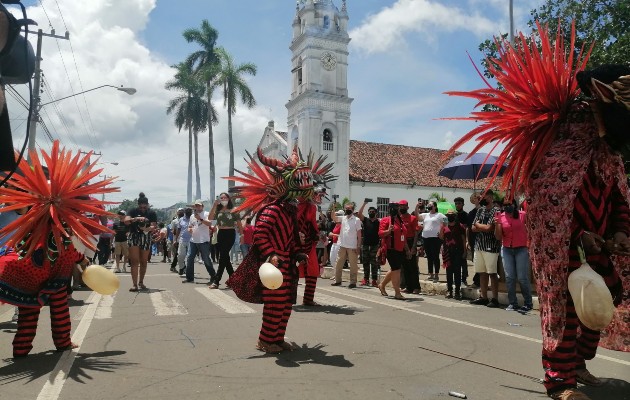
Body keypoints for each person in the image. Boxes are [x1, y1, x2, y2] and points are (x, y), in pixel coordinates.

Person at [445, 23, 630, 399]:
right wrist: (579, 237)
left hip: (600, 249)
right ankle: (559, 383)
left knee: (602, 301)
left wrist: (621, 229)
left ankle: (579, 364)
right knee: (564, 311)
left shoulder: (610, 157)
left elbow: (620, 201)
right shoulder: (556, 159)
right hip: (563, 253)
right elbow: (548, 211)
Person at [0, 142, 113, 357]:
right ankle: (62, 343)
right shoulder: (56, 221)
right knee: (59, 308)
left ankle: (21, 349)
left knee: (29, 311)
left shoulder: (30, 216)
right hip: (52, 273)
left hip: (29, 271)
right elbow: (66, 248)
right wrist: (81, 260)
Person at [226, 146, 332, 353]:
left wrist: (296, 252)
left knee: (285, 306)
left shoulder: (288, 211)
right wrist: (271, 254)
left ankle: (278, 338)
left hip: (287, 264)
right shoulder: (272, 209)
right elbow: (261, 235)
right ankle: (265, 341)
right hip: (274, 265)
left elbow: (291, 238)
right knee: (275, 306)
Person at [495, 198, 533, 311]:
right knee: (509, 277)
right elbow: (498, 236)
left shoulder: (523, 215)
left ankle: (528, 303)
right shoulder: (501, 217)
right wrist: (497, 223)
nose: (507, 206)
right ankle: (513, 302)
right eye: (505, 205)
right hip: (507, 249)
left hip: (521, 248)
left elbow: (531, 229)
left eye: (509, 204)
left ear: (514, 204)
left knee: (522, 277)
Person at [469, 190, 501, 308]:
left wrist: (479, 225)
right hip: (479, 245)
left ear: (491, 197)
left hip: (491, 246)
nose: (482, 198)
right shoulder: (480, 210)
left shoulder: (496, 210)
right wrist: (481, 226)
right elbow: (473, 227)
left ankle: (495, 298)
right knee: (482, 272)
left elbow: (489, 228)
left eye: (485, 196)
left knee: (492, 273)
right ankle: (484, 296)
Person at [208, 193, 243, 289]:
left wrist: (242, 235)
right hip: (221, 233)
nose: (223, 199)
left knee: (223, 256)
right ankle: (234, 280)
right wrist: (214, 205)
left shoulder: (234, 210)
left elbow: (239, 223)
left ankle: (216, 280)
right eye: (221, 198)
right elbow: (210, 218)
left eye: (225, 197)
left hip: (230, 233)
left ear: (228, 199)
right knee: (225, 257)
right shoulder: (218, 210)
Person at [125, 192, 157, 292]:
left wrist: (146, 229)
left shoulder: (151, 213)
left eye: (144, 207)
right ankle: (134, 284)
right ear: (138, 205)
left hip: (146, 236)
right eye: (141, 207)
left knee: (144, 261)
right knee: (134, 261)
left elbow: (153, 226)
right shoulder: (132, 211)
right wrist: (136, 219)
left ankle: (141, 282)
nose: (143, 208)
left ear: (147, 205)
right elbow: (126, 221)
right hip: (134, 235)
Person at [377, 202, 409, 300]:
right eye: (396, 208)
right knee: (396, 270)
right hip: (391, 249)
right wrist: (388, 231)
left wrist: (407, 249)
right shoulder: (386, 220)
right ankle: (397, 293)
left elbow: (404, 236)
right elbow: (380, 233)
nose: (397, 209)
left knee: (395, 270)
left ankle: (382, 285)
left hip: (400, 249)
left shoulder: (400, 220)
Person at [184, 200, 216, 285]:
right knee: (190, 258)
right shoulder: (192, 216)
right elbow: (190, 226)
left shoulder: (206, 214)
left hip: (203, 240)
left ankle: (213, 276)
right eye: (196, 206)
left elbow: (209, 224)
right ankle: (189, 278)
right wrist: (189, 229)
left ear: (202, 206)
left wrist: (200, 219)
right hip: (193, 240)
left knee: (206, 259)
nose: (197, 207)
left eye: (199, 206)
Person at [331, 202, 362, 288]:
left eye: (349, 209)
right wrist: (333, 208)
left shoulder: (357, 220)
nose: (348, 210)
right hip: (342, 245)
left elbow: (359, 234)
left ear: (352, 210)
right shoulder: (343, 218)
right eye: (346, 209)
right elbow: (334, 218)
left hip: (352, 246)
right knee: (338, 263)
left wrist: (358, 246)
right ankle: (337, 280)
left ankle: (353, 282)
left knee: (353, 265)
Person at [439, 209, 466, 300]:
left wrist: (465, 251)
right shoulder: (444, 226)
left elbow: (463, 239)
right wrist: (442, 226)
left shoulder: (460, 226)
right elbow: (441, 237)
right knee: (449, 272)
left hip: (458, 251)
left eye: (452, 215)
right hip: (448, 251)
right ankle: (449, 290)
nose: (450, 216)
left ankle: (457, 291)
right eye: (448, 215)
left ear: (455, 216)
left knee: (457, 272)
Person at [417, 200, 445, 282]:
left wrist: (441, 232)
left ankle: (436, 274)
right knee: (429, 257)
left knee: (435, 256)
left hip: (435, 238)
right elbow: (417, 216)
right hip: (426, 238)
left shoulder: (439, 215)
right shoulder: (426, 215)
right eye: (428, 204)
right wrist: (417, 206)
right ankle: (430, 274)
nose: (429, 205)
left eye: (431, 204)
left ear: (435, 207)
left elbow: (446, 220)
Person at [398, 200, 420, 293]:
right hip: (402, 242)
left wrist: (414, 247)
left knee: (413, 266)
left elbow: (416, 233)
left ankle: (416, 287)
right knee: (405, 266)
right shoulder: (398, 218)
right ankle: (408, 286)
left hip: (411, 242)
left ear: (407, 207)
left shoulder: (413, 218)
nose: (402, 208)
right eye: (400, 206)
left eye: (404, 206)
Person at [357, 202, 380, 287]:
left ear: (376, 213)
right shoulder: (365, 220)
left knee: (374, 263)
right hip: (366, 245)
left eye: (373, 211)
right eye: (370, 211)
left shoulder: (378, 222)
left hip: (375, 245)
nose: (371, 212)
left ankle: (374, 280)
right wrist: (364, 203)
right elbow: (359, 214)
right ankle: (366, 279)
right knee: (365, 262)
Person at [453, 196, 470, 286]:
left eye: (459, 203)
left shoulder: (466, 215)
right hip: (454, 240)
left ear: (463, 204)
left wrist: (467, 241)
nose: (457, 205)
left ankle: (464, 278)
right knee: (454, 261)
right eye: (456, 203)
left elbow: (467, 228)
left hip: (463, 241)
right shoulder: (453, 215)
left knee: (463, 260)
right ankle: (456, 278)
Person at [177, 208, 192, 276]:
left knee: (189, 257)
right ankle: (181, 267)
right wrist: (176, 239)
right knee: (180, 255)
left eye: (190, 212)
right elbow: (179, 229)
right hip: (182, 239)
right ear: (185, 213)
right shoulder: (181, 219)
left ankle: (188, 272)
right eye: (187, 212)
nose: (189, 213)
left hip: (191, 240)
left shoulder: (193, 219)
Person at [169, 208, 184, 273]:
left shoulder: (185, 220)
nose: (181, 212)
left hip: (184, 239)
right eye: (179, 211)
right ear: (177, 213)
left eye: (182, 211)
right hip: (177, 240)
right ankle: (181, 267)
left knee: (180, 254)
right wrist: (177, 232)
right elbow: (172, 230)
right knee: (180, 253)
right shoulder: (174, 221)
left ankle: (174, 266)